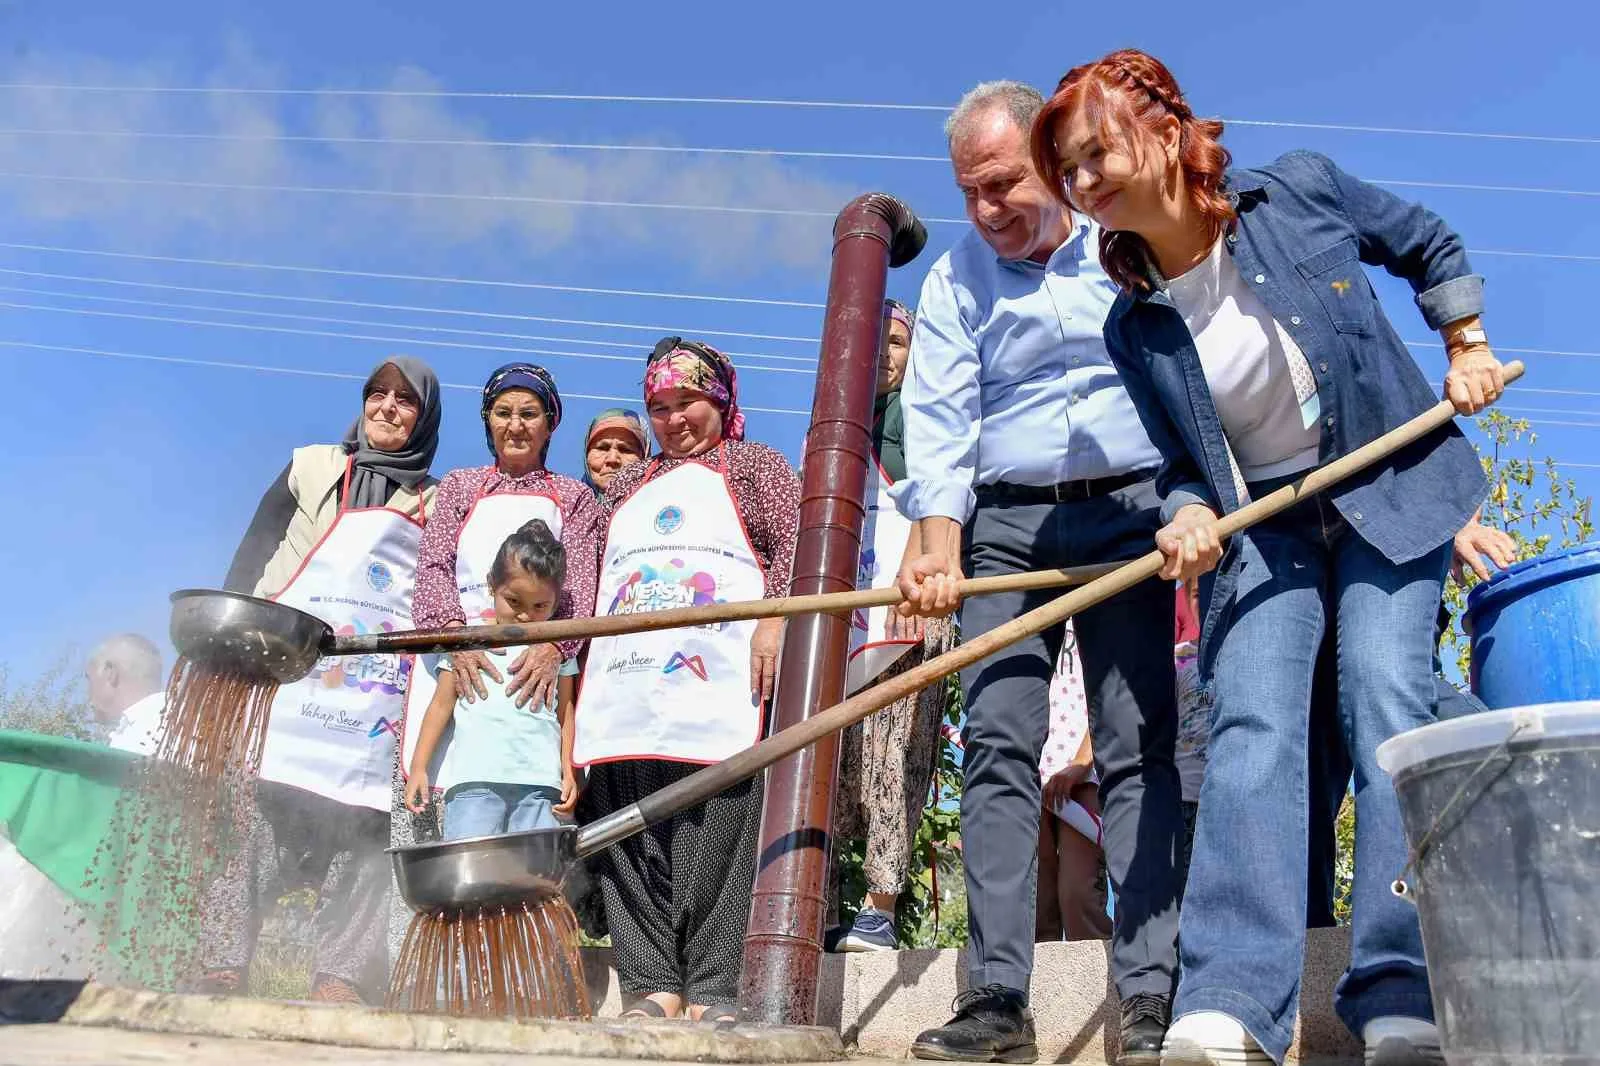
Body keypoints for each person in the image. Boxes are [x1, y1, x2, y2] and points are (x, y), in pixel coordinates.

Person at [1032, 49, 1503, 1065]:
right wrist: (1189, 511)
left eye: (1094, 151)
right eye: (1067, 169)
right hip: (1270, 527)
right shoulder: (1134, 322)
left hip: (1388, 490)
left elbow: (1425, 241)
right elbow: (1181, 461)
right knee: (1250, 722)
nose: (1082, 182)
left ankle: (1396, 993)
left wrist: (1462, 341)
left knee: (1386, 696)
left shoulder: (1297, 191)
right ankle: (1231, 1002)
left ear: (1163, 128)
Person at [892, 81, 1183, 1066]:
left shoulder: (1125, 240)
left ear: (1054, 163)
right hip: (1006, 525)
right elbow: (937, 411)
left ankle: (1149, 997)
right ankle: (997, 1003)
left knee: (1136, 745)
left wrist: (1194, 495)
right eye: (969, 192)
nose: (986, 210)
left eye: (1004, 183)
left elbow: (1191, 358)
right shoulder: (955, 279)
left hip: (1130, 511)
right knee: (999, 744)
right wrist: (936, 541)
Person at [573, 336, 800, 1023]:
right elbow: (587, 581)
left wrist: (776, 620)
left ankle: (712, 989)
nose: (674, 420)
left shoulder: (758, 467)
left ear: (722, 399)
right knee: (625, 829)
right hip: (622, 681)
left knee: (717, 828)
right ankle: (650, 986)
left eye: (688, 402)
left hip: (718, 674)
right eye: (660, 407)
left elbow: (796, 541)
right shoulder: (625, 488)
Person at [208, 355, 442, 1003]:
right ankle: (223, 966)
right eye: (378, 395)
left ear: (425, 418)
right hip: (280, 674)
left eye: (405, 402)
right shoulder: (310, 464)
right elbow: (254, 550)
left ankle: (338, 977)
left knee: (362, 826)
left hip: (367, 693)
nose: (388, 409)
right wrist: (225, 641)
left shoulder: (434, 499)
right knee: (249, 813)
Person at [830, 299, 958, 953]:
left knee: (895, 754)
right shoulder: (836, 426)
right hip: (845, 615)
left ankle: (879, 906)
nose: (884, 352)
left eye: (899, 341)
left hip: (910, 605)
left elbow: (939, 491)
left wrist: (919, 564)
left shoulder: (928, 415)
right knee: (834, 759)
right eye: (872, 339)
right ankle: (822, 901)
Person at [405, 520, 579, 838]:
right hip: (474, 784)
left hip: (541, 786)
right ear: (491, 585)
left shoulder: (557, 657)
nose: (526, 615)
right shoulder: (469, 648)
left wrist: (568, 770)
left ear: (556, 604)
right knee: (469, 873)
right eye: (514, 601)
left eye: (540, 606)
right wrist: (419, 767)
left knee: (535, 878)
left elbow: (565, 713)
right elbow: (440, 707)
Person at [1035, 621, 1113, 943]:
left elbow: (1112, 693)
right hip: (1030, 774)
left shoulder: (1099, 613)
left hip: (1085, 777)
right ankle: (1034, 990)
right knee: (1037, 903)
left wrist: (1082, 762)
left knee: (1078, 893)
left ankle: (1104, 986)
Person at [85, 633, 165, 756]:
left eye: (89, 679)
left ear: (110, 673)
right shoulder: (184, 719)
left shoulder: (136, 738)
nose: (88, 692)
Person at [581, 408, 650, 495]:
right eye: (602, 448)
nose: (612, 459)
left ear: (644, 457)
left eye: (626, 450)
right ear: (586, 455)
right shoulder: (566, 505)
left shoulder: (661, 505)